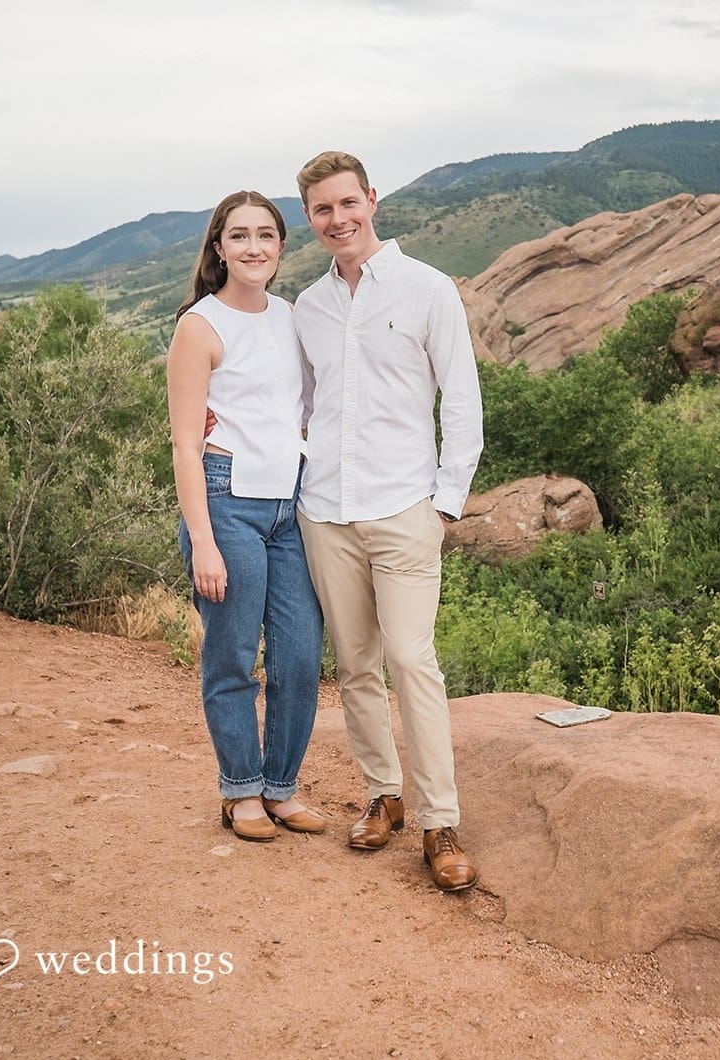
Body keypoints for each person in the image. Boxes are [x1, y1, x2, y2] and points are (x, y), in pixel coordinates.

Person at [291, 151, 485, 891]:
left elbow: (462, 401)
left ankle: (441, 822)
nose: (338, 219)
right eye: (322, 209)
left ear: (373, 199)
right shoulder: (309, 307)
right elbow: (302, 404)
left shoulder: (427, 289)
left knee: (411, 660)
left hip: (406, 507)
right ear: (309, 217)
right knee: (356, 668)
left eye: (348, 203)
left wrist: (443, 504)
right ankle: (384, 795)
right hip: (328, 510)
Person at [167, 190, 325, 843]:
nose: (254, 246)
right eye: (240, 236)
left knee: (299, 655)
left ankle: (280, 786)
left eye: (266, 234)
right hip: (227, 500)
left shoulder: (292, 317)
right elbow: (183, 441)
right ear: (219, 248)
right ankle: (240, 790)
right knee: (232, 656)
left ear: (282, 247)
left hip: (292, 503)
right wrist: (202, 539)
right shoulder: (199, 326)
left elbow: (310, 407)